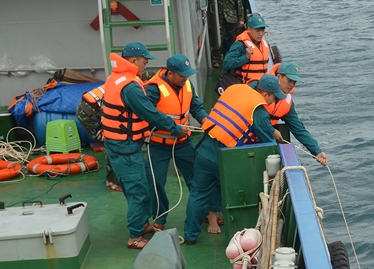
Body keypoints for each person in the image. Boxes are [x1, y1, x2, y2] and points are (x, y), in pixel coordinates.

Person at [182, 75, 286, 244]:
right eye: (273, 97)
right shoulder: (258, 109)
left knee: (198, 194)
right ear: (265, 94)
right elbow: (267, 143)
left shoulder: (236, 88)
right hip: (222, 156)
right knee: (240, 193)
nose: (272, 102)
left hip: (203, 148)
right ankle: (240, 236)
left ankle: (190, 236)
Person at [101, 42, 183, 250]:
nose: (147, 64)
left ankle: (143, 223)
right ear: (132, 61)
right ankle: (135, 237)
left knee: (145, 184)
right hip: (124, 149)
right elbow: (149, 113)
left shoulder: (116, 78)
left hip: (125, 146)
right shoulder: (129, 87)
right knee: (137, 191)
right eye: (144, 60)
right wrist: (175, 128)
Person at [143, 54, 214, 231]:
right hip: (158, 145)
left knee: (196, 178)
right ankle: (160, 217)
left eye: (187, 74)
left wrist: (206, 121)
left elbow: (196, 107)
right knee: (156, 182)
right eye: (182, 75)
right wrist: (174, 128)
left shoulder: (188, 84)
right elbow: (149, 115)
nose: (186, 78)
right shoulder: (153, 88)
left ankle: (202, 211)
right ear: (170, 73)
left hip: (183, 143)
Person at [266, 62, 328, 166]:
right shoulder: (260, 88)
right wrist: (271, 129)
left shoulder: (287, 103)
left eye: (294, 82)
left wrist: (317, 151)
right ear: (279, 76)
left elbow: (298, 129)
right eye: (289, 80)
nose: (292, 85)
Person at [75, 84, 121, 192]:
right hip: (88, 113)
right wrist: (105, 128)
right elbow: (108, 107)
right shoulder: (124, 86)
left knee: (110, 144)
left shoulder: (120, 81)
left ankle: (114, 179)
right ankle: (113, 183)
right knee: (110, 145)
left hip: (91, 110)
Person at [223, 14, 273, 85]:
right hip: (246, 85)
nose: (261, 34)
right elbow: (226, 63)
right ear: (249, 29)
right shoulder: (240, 44)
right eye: (257, 30)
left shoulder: (263, 44)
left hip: (261, 84)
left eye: (262, 30)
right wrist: (245, 57)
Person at [212, 0, 245, 68]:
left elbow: (239, 5)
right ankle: (216, 60)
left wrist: (241, 19)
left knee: (235, 41)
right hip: (219, 20)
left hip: (232, 20)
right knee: (218, 40)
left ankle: (235, 59)